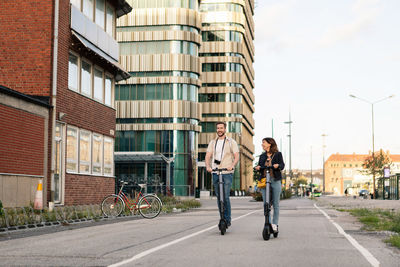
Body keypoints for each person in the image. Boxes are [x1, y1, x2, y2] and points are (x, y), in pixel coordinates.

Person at [205, 121, 239, 227]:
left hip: (226, 172)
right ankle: (222, 218)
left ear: (225, 129)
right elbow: (208, 156)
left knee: (225, 196)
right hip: (215, 172)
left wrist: (232, 165)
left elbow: (237, 156)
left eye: (221, 128)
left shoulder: (231, 142)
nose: (219, 130)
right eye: (218, 128)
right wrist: (207, 166)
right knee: (219, 197)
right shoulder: (212, 142)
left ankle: (227, 219)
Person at [255, 137, 285, 234]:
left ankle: (275, 224)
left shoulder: (278, 154)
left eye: (263, 142)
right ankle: (268, 222)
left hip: (275, 180)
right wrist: (258, 167)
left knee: (275, 203)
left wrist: (278, 166)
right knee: (266, 203)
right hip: (264, 181)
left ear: (270, 144)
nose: (262, 144)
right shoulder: (262, 156)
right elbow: (259, 166)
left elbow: (282, 165)